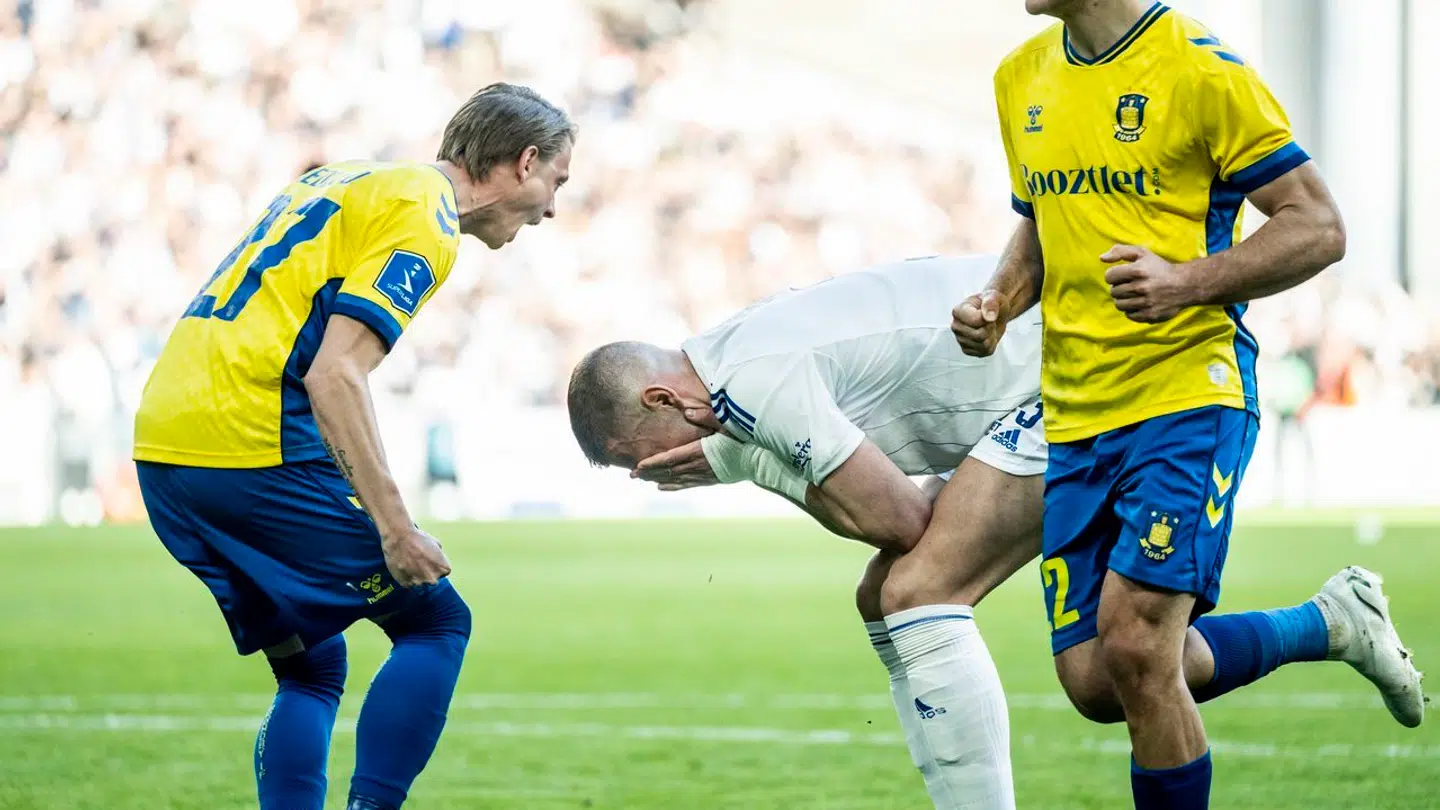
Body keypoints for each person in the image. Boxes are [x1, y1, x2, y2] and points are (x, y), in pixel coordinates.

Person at [566, 255, 1416, 810]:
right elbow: (874, 511)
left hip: (1082, 376)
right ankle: (1331, 622)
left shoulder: (749, 386)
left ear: (659, 402)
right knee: (1101, 679)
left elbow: (901, 521)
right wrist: (745, 458)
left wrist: (749, 463)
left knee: (915, 588)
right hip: (1051, 382)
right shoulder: (728, 367)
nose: (652, 472)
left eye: (634, 459)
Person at [952, 3, 1423, 809]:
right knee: (1098, 681)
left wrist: (1186, 282)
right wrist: (998, 300)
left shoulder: (1202, 70)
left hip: (1188, 397)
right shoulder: (1019, 76)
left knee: (1136, 647)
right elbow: (1040, 226)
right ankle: (1329, 622)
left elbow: (1318, 224)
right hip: (1075, 415)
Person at [132, 83, 574, 810]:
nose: (552, 208)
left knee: (310, 667)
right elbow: (334, 373)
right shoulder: (424, 219)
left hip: (164, 446)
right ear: (525, 162)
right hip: (247, 439)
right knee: (435, 620)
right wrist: (395, 528)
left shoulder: (345, 177)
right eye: (557, 181)